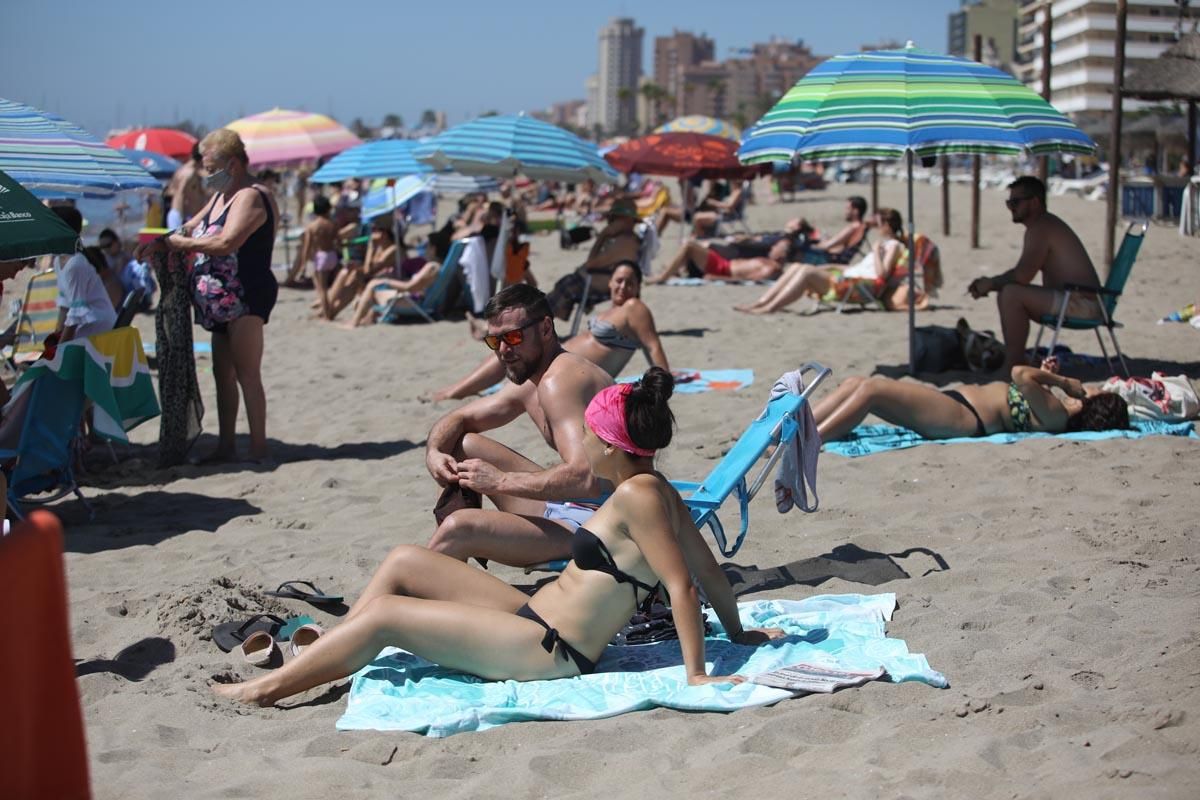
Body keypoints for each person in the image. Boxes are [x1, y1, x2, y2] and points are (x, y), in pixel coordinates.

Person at [213, 367, 786, 707]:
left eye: (588, 437)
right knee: (406, 562)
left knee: (389, 612)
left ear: (612, 448)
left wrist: (698, 673)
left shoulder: (640, 497)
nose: (581, 445)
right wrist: (740, 633)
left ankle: (267, 690)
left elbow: (686, 587)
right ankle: (334, 648)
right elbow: (713, 575)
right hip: (535, 615)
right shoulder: (655, 490)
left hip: (551, 652)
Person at [424, 284, 613, 567]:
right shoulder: (534, 381)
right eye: (494, 340)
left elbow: (585, 478)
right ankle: (445, 572)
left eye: (513, 337)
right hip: (573, 506)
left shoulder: (560, 381)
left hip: (606, 521)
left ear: (546, 329)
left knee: (458, 529)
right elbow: (459, 418)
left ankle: (428, 583)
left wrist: (499, 481)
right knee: (464, 444)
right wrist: (434, 452)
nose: (503, 350)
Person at [134, 128, 278, 464]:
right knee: (222, 374)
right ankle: (226, 445)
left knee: (247, 374)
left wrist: (180, 245)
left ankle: (259, 449)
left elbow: (226, 242)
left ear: (233, 163)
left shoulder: (251, 196)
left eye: (211, 167)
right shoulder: (221, 196)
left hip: (245, 296)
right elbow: (188, 227)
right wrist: (158, 243)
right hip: (218, 303)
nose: (206, 174)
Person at [430, 261, 669, 401]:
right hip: (560, 356)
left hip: (571, 371)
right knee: (508, 347)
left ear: (638, 287)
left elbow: (653, 345)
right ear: (609, 283)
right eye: (618, 280)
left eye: (630, 282)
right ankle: (457, 388)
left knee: (510, 352)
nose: (623, 286)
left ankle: (456, 392)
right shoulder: (613, 309)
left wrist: (664, 380)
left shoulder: (634, 307)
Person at [968, 176, 1104, 375]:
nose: (1011, 208)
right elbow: (1021, 275)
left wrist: (990, 283)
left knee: (1011, 294)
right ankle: (1016, 360)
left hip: (1083, 304)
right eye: (1008, 203)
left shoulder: (1042, 227)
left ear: (1034, 202)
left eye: (1015, 202)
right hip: (1077, 299)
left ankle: (1014, 365)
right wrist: (992, 284)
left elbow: (1022, 276)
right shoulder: (1043, 226)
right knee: (1009, 291)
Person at [812, 365, 1129, 442]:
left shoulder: (1059, 416)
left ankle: (811, 440)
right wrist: (1053, 379)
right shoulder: (1054, 408)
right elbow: (1025, 379)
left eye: (1100, 389)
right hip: (957, 403)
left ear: (1095, 402)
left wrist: (1062, 383)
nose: (1093, 385)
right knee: (857, 383)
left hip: (963, 417)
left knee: (870, 391)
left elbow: (1019, 373)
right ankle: (797, 429)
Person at [734, 207, 908, 315]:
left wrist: (876, 251)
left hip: (858, 287)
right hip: (850, 278)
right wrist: (832, 266)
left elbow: (882, 275)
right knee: (797, 266)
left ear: (886, 224)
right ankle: (762, 302)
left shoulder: (893, 246)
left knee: (806, 272)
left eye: (878, 224)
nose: (876, 228)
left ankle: (770, 308)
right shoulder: (885, 244)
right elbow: (859, 267)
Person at [545, 198, 646, 320]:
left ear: (625, 221)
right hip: (596, 280)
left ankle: (542, 320)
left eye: (614, 219)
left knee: (564, 286)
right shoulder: (627, 239)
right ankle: (545, 320)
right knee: (561, 287)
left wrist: (603, 235)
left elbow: (590, 264)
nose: (611, 222)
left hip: (597, 285)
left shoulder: (625, 243)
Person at [340, 228, 450, 328]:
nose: (424, 249)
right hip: (417, 300)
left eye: (427, 246)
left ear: (433, 249)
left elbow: (410, 287)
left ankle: (354, 323)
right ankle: (366, 320)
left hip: (414, 303)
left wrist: (386, 281)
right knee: (374, 287)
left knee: (372, 286)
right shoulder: (438, 266)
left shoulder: (431, 267)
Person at [50, 207, 117, 343]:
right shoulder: (59, 261)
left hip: (98, 327)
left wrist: (60, 347)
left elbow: (76, 314)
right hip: (85, 324)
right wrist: (57, 335)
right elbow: (64, 305)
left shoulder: (76, 264)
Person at [323, 218, 401, 321]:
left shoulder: (392, 250)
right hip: (377, 279)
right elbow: (368, 269)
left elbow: (369, 270)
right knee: (345, 272)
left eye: (375, 231)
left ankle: (331, 310)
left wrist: (370, 248)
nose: (372, 234)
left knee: (354, 276)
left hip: (389, 282)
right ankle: (328, 307)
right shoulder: (379, 247)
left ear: (384, 234)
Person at [647, 234, 788, 285]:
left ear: (781, 255)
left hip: (722, 269)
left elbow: (749, 279)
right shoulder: (767, 260)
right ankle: (671, 271)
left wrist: (716, 277)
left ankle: (663, 277)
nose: (772, 248)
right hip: (723, 263)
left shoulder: (772, 268)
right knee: (692, 245)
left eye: (776, 248)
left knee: (689, 246)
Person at [295, 195, 340, 319]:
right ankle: (328, 311)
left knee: (322, 289)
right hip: (332, 255)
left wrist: (303, 264)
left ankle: (327, 315)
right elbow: (338, 241)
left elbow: (307, 246)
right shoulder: (333, 224)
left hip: (321, 257)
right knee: (330, 287)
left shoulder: (312, 226)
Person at [793, 196, 870, 264]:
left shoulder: (853, 227)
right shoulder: (861, 226)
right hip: (833, 256)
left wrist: (810, 245)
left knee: (795, 253)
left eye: (848, 209)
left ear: (855, 211)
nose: (845, 212)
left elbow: (828, 246)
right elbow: (839, 244)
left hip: (831, 260)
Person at [165, 144, 208, 231]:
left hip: (181, 214)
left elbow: (171, 191)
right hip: (180, 215)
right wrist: (181, 217)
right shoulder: (189, 173)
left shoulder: (183, 170)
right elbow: (180, 193)